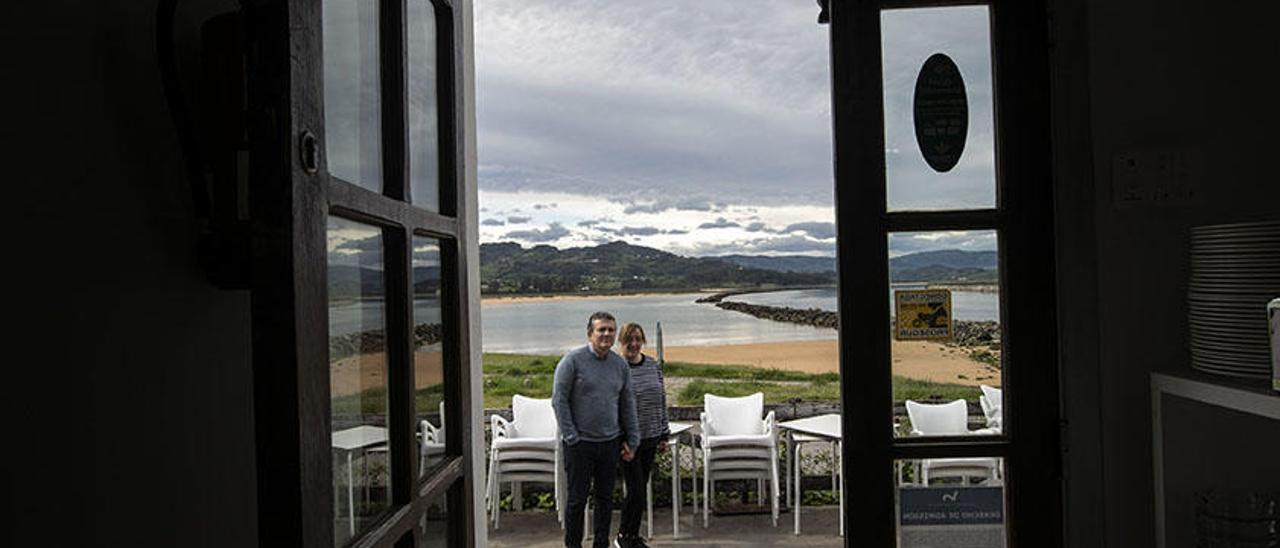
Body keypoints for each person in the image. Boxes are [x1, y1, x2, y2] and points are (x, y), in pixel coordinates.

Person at [552, 311, 640, 548]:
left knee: (605, 500)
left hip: (609, 443)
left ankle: (601, 544)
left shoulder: (619, 364)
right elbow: (559, 400)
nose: (607, 334)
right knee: (577, 501)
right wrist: (571, 436)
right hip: (579, 444)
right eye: (601, 330)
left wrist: (633, 439)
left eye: (611, 330)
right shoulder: (572, 361)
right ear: (590, 333)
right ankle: (573, 545)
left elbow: (627, 402)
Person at [613, 323, 669, 548]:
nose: (634, 344)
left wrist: (664, 433)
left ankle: (632, 536)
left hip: (651, 436)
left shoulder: (653, 365)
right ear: (621, 342)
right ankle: (623, 537)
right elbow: (612, 406)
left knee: (641, 489)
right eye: (629, 340)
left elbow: (662, 399)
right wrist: (620, 439)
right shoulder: (616, 368)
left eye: (638, 339)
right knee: (635, 490)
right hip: (628, 441)